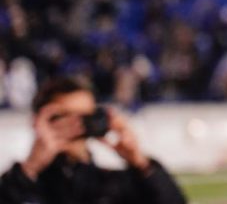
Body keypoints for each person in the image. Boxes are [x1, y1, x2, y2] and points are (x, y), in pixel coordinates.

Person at [0, 75, 187, 204]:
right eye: (63, 117)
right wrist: (30, 168)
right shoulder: (24, 187)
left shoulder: (111, 185)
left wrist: (140, 162)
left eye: (85, 118)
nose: (76, 127)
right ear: (39, 122)